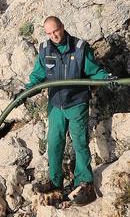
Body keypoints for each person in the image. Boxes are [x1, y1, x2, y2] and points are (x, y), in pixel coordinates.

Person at [25, 15, 112, 206]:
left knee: (80, 143)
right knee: (54, 143)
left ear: (62, 27)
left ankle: (85, 183)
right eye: (49, 33)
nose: (53, 36)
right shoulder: (45, 49)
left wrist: (106, 77)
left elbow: (93, 70)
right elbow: (38, 75)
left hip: (77, 103)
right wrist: (26, 90)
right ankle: (55, 181)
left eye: (55, 31)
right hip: (56, 105)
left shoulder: (80, 48)